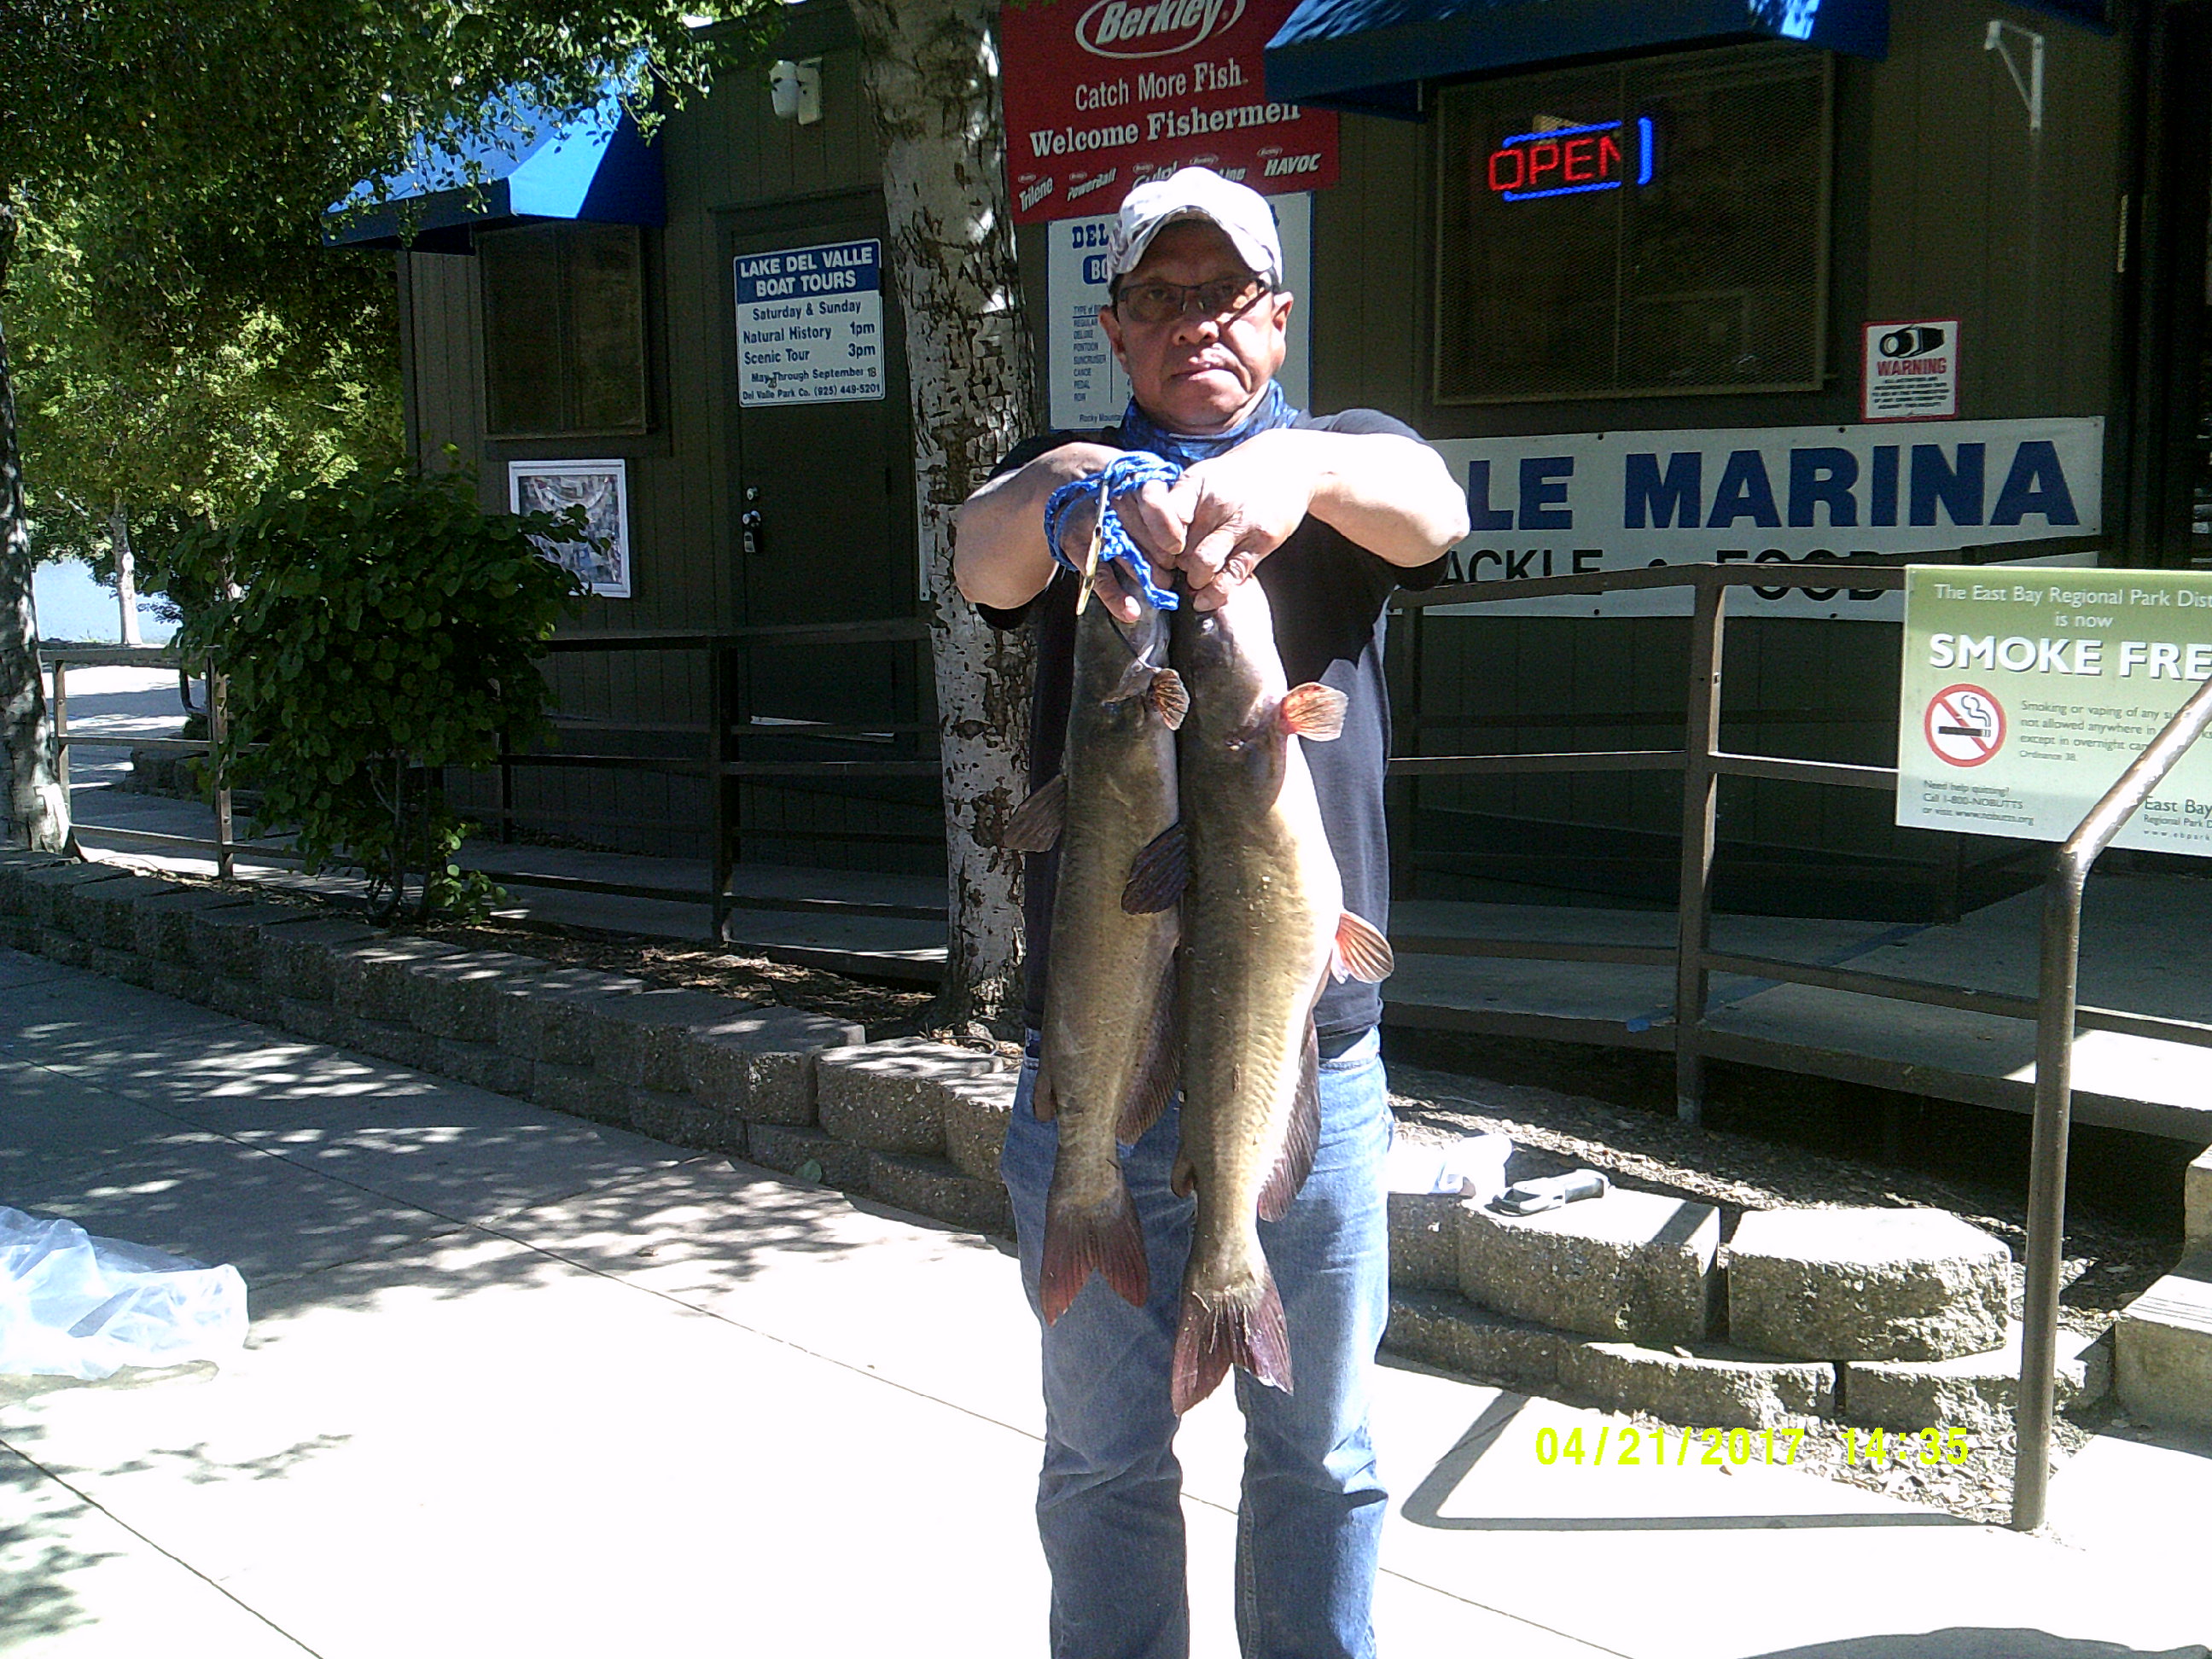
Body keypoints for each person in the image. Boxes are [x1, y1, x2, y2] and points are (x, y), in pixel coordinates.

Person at [952, 167, 1470, 1659]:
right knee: (1104, 1460)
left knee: (1324, 1458)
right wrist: (1072, 490)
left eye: (1225, 297)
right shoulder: (1078, 487)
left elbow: (1431, 512)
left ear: (1280, 319)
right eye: (1162, 301)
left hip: (1307, 1051)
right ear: (1116, 330)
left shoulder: (1345, 457)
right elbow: (980, 554)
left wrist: (1295, 475)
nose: (1196, 325)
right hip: (1099, 1063)